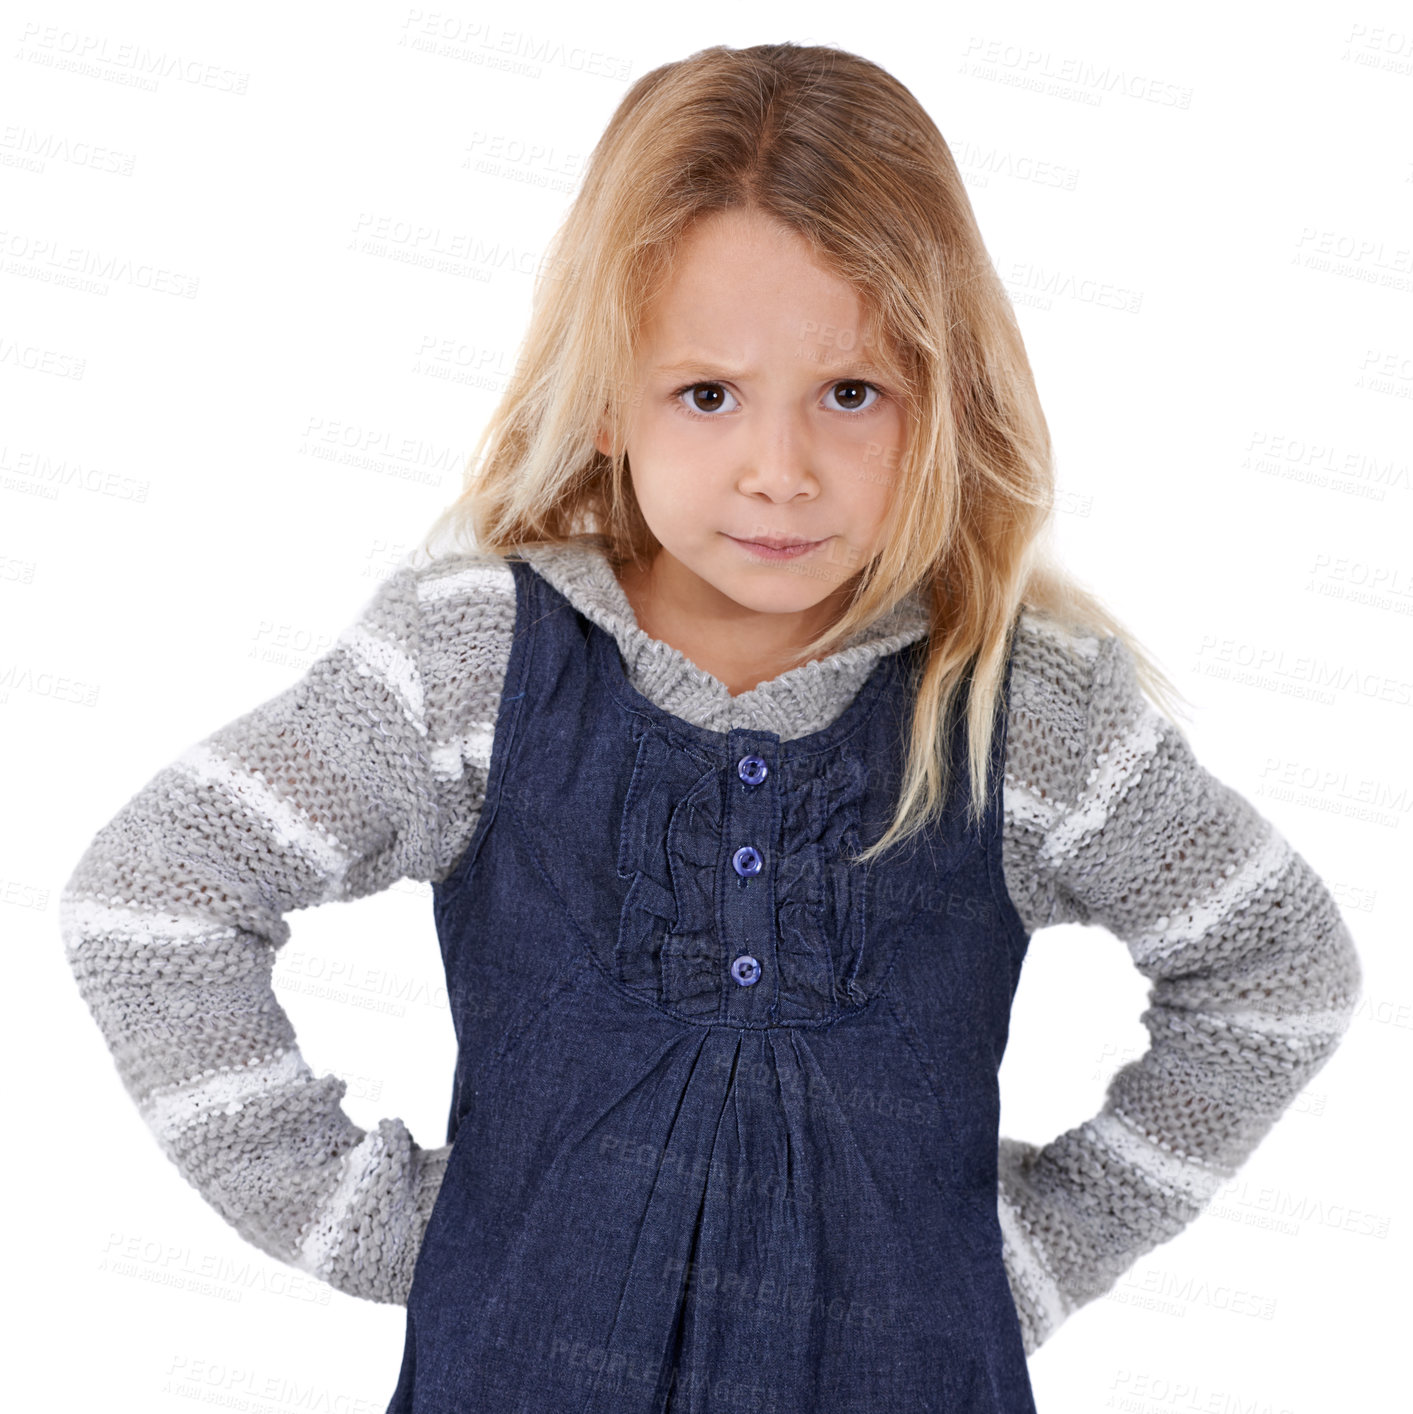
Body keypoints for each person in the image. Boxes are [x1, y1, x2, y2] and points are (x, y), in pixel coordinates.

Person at [61, 41, 1362, 1414]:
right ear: (609, 393)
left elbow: (1274, 967)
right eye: (707, 393)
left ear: (945, 396)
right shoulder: (473, 657)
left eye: (850, 393)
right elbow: (154, 898)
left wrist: (1023, 1252)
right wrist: (364, 1218)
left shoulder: (1012, 700)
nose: (780, 471)